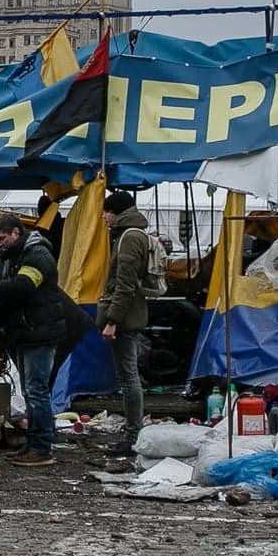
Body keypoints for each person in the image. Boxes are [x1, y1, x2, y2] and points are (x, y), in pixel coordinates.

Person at [0, 211, 66, 465]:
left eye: (4, 237)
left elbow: (22, 287)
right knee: (31, 391)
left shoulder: (38, 255)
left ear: (17, 233)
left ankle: (41, 448)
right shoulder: (8, 257)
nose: (0, 243)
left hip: (38, 332)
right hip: (22, 333)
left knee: (37, 390)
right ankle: (34, 442)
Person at [98, 188, 157, 451]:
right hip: (128, 315)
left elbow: (125, 285)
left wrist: (112, 320)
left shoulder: (128, 238)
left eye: (106, 213)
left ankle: (133, 436)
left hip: (124, 318)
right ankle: (134, 434)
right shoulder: (132, 234)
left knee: (128, 377)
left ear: (115, 213)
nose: (103, 218)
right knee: (128, 375)